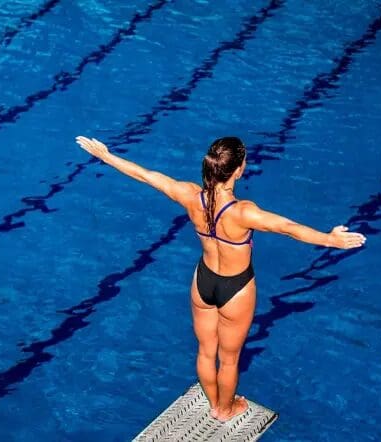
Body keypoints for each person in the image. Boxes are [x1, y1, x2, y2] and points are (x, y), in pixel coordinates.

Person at [75, 135, 366, 421]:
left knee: (205, 350)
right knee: (228, 359)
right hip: (235, 289)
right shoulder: (243, 212)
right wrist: (331, 240)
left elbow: (147, 176)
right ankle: (225, 409)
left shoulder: (191, 196)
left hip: (203, 281)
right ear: (238, 170)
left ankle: (213, 401)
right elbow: (288, 227)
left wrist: (106, 156)